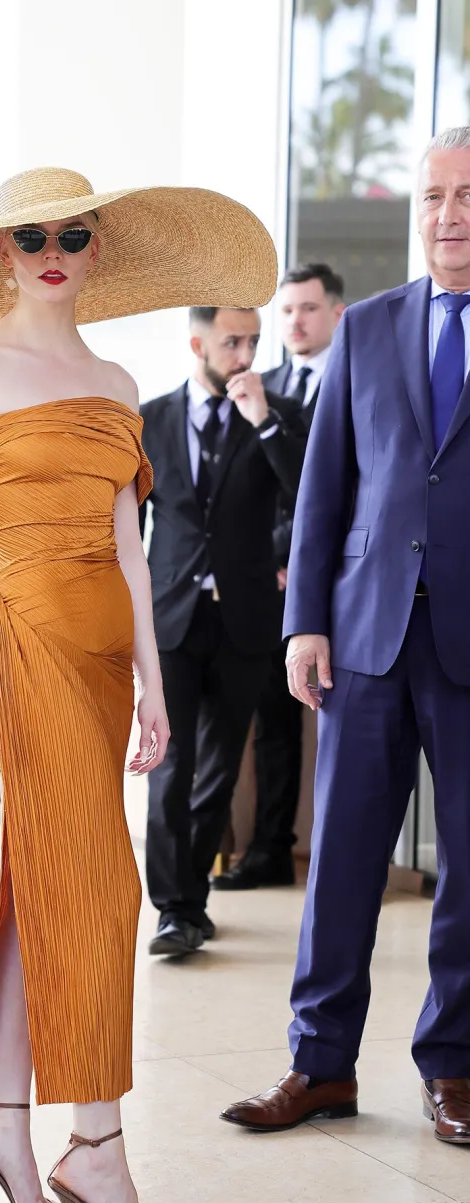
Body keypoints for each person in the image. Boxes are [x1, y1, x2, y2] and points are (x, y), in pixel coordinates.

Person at [0, 167, 276, 1203]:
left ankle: (1, 1120)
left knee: (46, 884)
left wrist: (154, 681)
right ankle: (97, 1144)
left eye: (72, 235)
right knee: (106, 887)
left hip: (111, 659)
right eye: (32, 237)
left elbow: (131, 549)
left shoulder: (116, 381)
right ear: (2, 252)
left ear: (97, 248)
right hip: (25, 647)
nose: (53, 253)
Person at [220, 126, 470, 1143]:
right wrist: (305, 623)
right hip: (364, 634)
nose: (450, 216)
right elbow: (324, 486)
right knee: (342, 860)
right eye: (434, 197)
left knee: (469, 868)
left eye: (468, 195)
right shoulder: (366, 328)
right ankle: (319, 1065)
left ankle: (453, 1064)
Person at [141, 308, 307, 958]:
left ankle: (190, 902)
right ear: (197, 343)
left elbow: (310, 494)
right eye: (231, 342)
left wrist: (263, 420)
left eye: (253, 342)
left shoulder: (278, 413)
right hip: (171, 620)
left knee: (218, 772)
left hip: (244, 619)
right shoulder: (150, 419)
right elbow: (127, 524)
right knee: (169, 766)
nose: (244, 355)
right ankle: (174, 909)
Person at [214, 262, 345, 891]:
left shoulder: (351, 378)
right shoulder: (261, 384)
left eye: (309, 308)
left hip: (322, 579)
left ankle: (315, 852)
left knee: (312, 721)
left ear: (337, 314)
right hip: (263, 578)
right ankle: (265, 848)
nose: (296, 321)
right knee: (269, 714)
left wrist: (299, 563)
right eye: (287, 311)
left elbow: (324, 491)